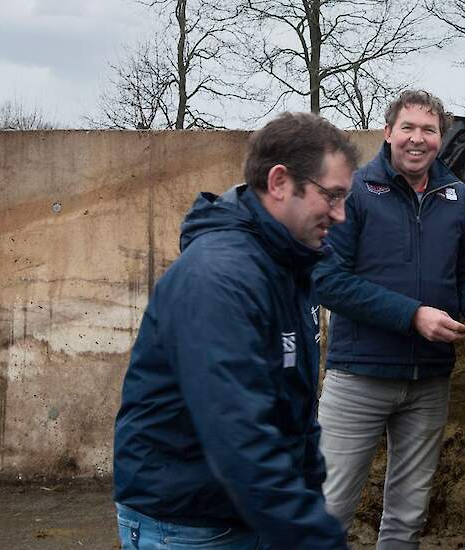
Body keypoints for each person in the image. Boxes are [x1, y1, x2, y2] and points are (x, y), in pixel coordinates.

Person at [112, 112, 357, 549]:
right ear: (280, 182)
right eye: (332, 196)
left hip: (245, 514)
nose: (340, 215)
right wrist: (315, 536)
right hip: (188, 527)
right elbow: (237, 432)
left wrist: (306, 495)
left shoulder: (285, 263)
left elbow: (291, 406)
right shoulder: (220, 279)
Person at [313, 90, 465, 549]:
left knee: (408, 515)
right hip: (359, 376)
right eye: (409, 129)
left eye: (429, 130)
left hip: (429, 380)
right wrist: (412, 315)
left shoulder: (456, 197)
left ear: (442, 137)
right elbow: (326, 281)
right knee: (328, 508)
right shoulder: (354, 192)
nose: (418, 139)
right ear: (388, 133)